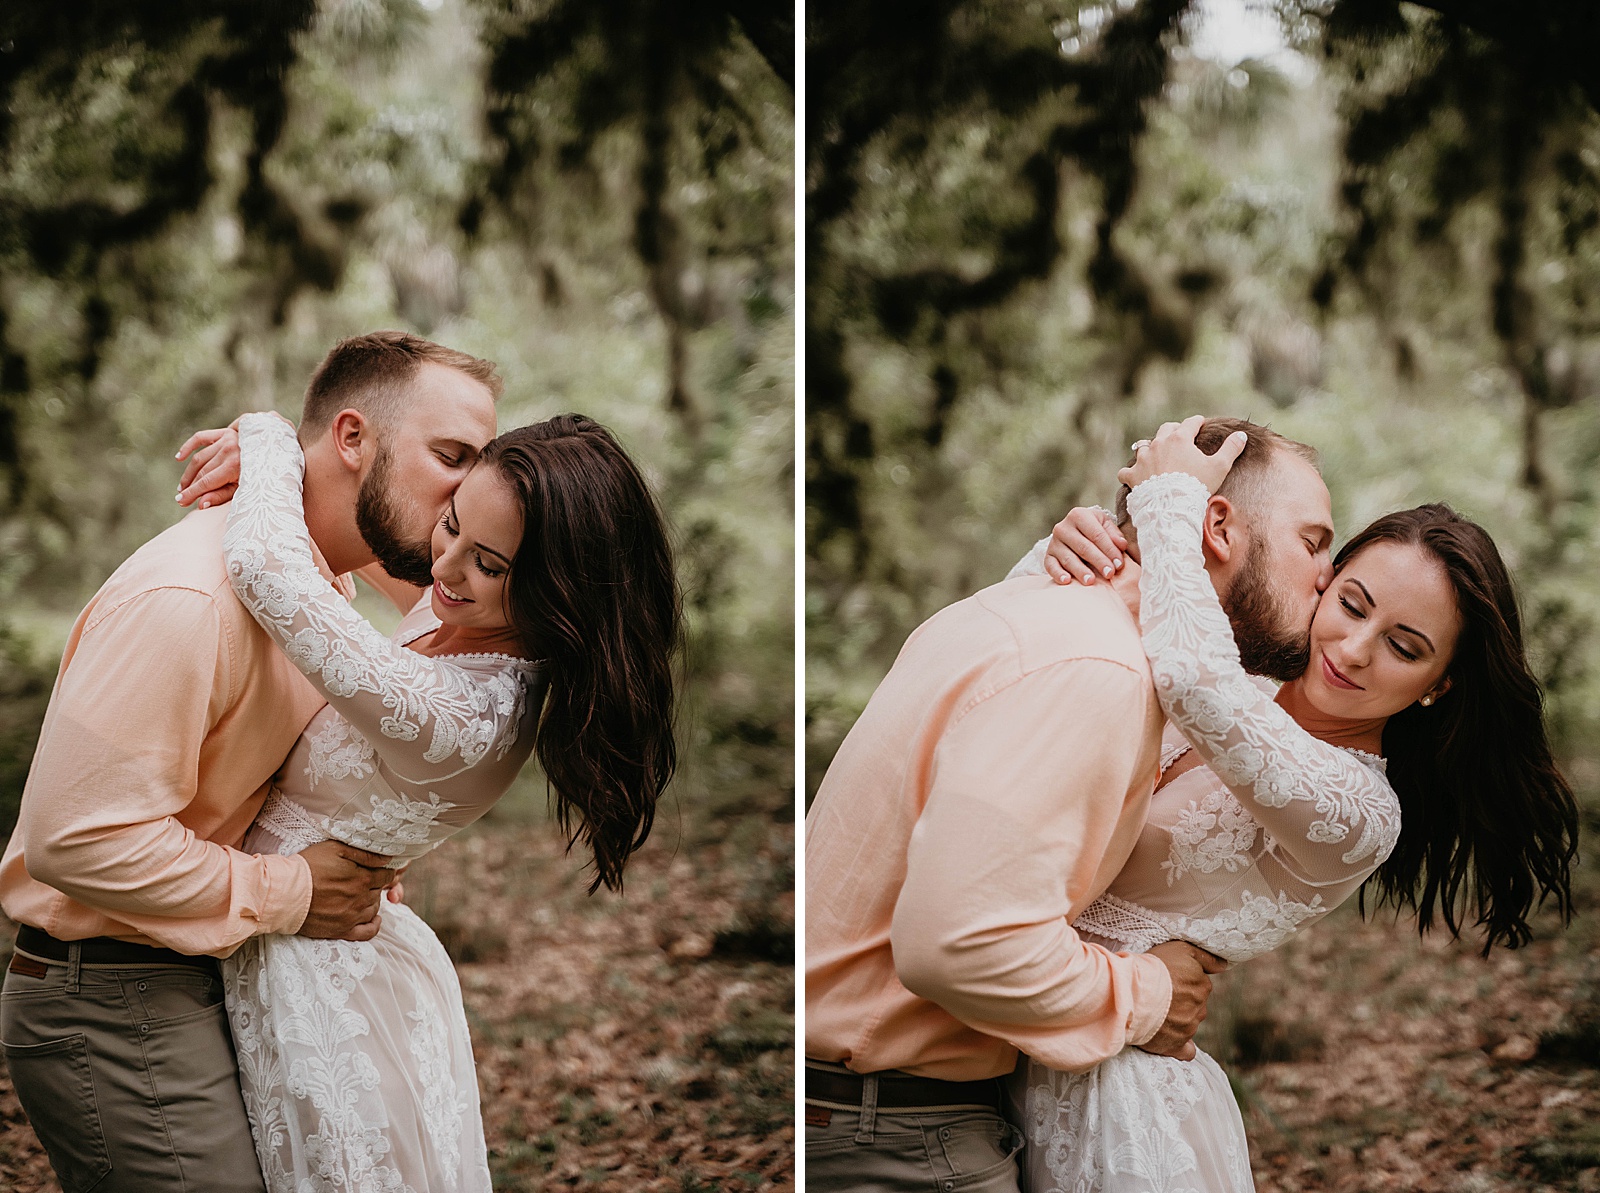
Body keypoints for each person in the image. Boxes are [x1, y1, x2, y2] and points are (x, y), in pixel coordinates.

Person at [1008, 417, 1577, 1193]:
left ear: (1438, 685)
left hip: (1118, 1106)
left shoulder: (1359, 815)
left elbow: (1193, 682)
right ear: (1322, 578)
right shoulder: (1239, 669)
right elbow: (1029, 689)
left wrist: (1171, 498)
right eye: (1352, 603)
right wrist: (1077, 549)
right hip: (996, 1029)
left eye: (1404, 646)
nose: (1351, 648)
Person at [0, 331, 500, 1193]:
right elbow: (75, 839)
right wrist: (298, 888)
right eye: (452, 456)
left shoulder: (313, 585)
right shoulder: (191, 599)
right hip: (111, 992)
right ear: (352, 438)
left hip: (201, 972)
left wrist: (269, 446)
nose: (473, 489)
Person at [804, 417, 1339, 1192]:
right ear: (1217, 527)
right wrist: (1153, 993)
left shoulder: (1026, 610)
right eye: (1314, 541)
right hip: (894, 1137)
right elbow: (959, 945)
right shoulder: (1098, 667)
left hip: (876, 1111)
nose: (1326, 574)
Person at [205, 398, 678, 1190]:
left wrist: (265, 434)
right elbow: (352, 537)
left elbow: (265, 567)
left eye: (490, 563)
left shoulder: (455, 716)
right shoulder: (469, 608)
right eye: (451, 521)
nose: (447, 566)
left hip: (321, 988)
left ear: (564, 591)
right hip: (312, 937)